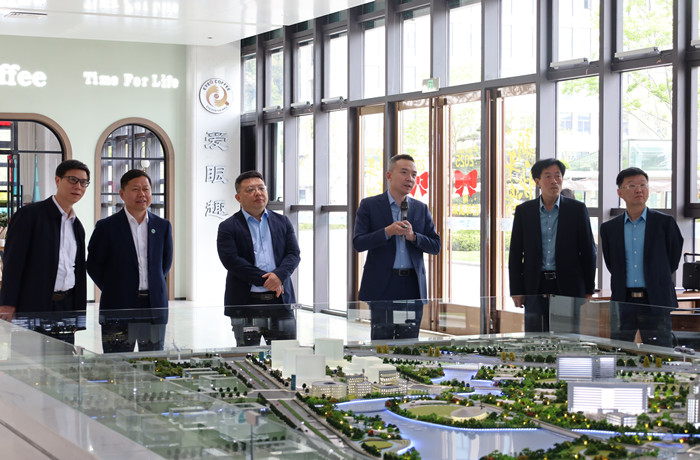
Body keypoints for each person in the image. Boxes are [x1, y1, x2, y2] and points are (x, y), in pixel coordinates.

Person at [0, 159, 90, 343]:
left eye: (83, 182)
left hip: (66, 306)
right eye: (72, 180)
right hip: (33, 304)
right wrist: (7, 303)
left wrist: (78, 314)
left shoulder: (76, 225)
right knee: (29, 357)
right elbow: (13, 262)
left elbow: (78, 272)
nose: (78, 186)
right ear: (57, 180)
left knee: (64, 358)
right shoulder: (30, 215)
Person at [353, 154, 441, 340]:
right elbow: (358, 243)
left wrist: (414, 237)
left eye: (414, 175)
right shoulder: (369, 205)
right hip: (382, 285)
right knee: (382, 343)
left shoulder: (421, 208)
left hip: (412, 286)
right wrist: (387, 232)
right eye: (404, 172)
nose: (410, 179)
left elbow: (436, 246)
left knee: (408, 344)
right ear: (389, 175)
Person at [87, 169, 173, 352]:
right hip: (118, 305)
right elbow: (94, 265)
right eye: (135, 189)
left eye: (146, 189)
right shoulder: (106, 227)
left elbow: (165, 264)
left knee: (152, 361)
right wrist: (114, 287)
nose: (142, 194)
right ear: (122, 194)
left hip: (153, 307)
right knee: (117, 361)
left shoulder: (162, 226)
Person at [509, 158, 597, 333]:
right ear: (537, 181)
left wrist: (588, 288)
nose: (554, 181)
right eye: (548, 176)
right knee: (534, 338)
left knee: (567, 338)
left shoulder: (577, 210)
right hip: (534, 285)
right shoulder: (524, 211)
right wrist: (516, 290)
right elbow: (516, 253)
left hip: (568, 284)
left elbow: (588, 251)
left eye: (558, 176)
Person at [600, 167, 682, 347]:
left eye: (643, 185)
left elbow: (672, 259)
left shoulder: (665, 223)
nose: (639, 190)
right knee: (620, 350)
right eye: (632, 186)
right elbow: (612, 263)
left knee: (661, 351)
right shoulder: (609, 229)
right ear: (620, 193)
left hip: (656, 299)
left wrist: (656, 274)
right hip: (623, 299)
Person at [217, 171, 300, 346]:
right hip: (246, 303)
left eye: (261, 188)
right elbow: (232, 261)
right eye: (250, 190)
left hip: (280, 302)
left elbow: (293, 254)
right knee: (248, 354)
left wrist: (278, 276)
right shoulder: (228, 227)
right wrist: (268, 281)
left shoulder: (283, 222)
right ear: (238, 197)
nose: (258, 193)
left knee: (286, 353)